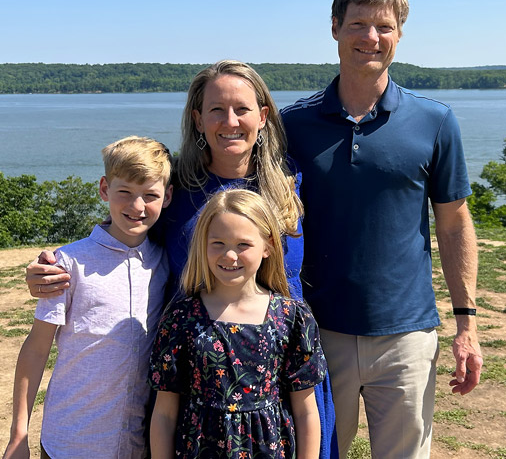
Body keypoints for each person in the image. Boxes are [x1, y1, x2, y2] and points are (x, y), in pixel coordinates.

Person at [24, 60, 337, 458]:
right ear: (197, 119)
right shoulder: (178, 189)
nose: (230, 121)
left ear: (262, 116)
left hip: (280, 371)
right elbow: (125, 228)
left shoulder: (290, 181)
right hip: (196, 379)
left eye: (241, 109)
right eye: (216, 110)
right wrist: (54, 267)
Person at [280, 0, 483, 458]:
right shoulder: (293, 125)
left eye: (384, 27)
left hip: (408, 331)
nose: (370, 37)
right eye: (358, 24)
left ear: (399, 35)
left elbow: (454, 223)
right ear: (334, 29)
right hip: (316, 330)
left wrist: (467, 324)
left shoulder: (434, 120)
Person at [4, 136, 173, 459]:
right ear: (104, 189)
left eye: (150, 195)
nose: (137, 206)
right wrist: (19, 434)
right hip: (69, 442)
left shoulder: (164, 263)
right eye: (125, 192)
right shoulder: (67, 264)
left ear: (167, 197)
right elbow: (36, 349)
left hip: (135, 445)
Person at [149, 189, 325, 459]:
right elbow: (164, 413)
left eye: (243, 244)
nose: (230, 256)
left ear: (267, 246)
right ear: (202, 245)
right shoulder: (181, 318)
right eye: (218, 243)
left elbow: (306, 411)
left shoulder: (292, 318)